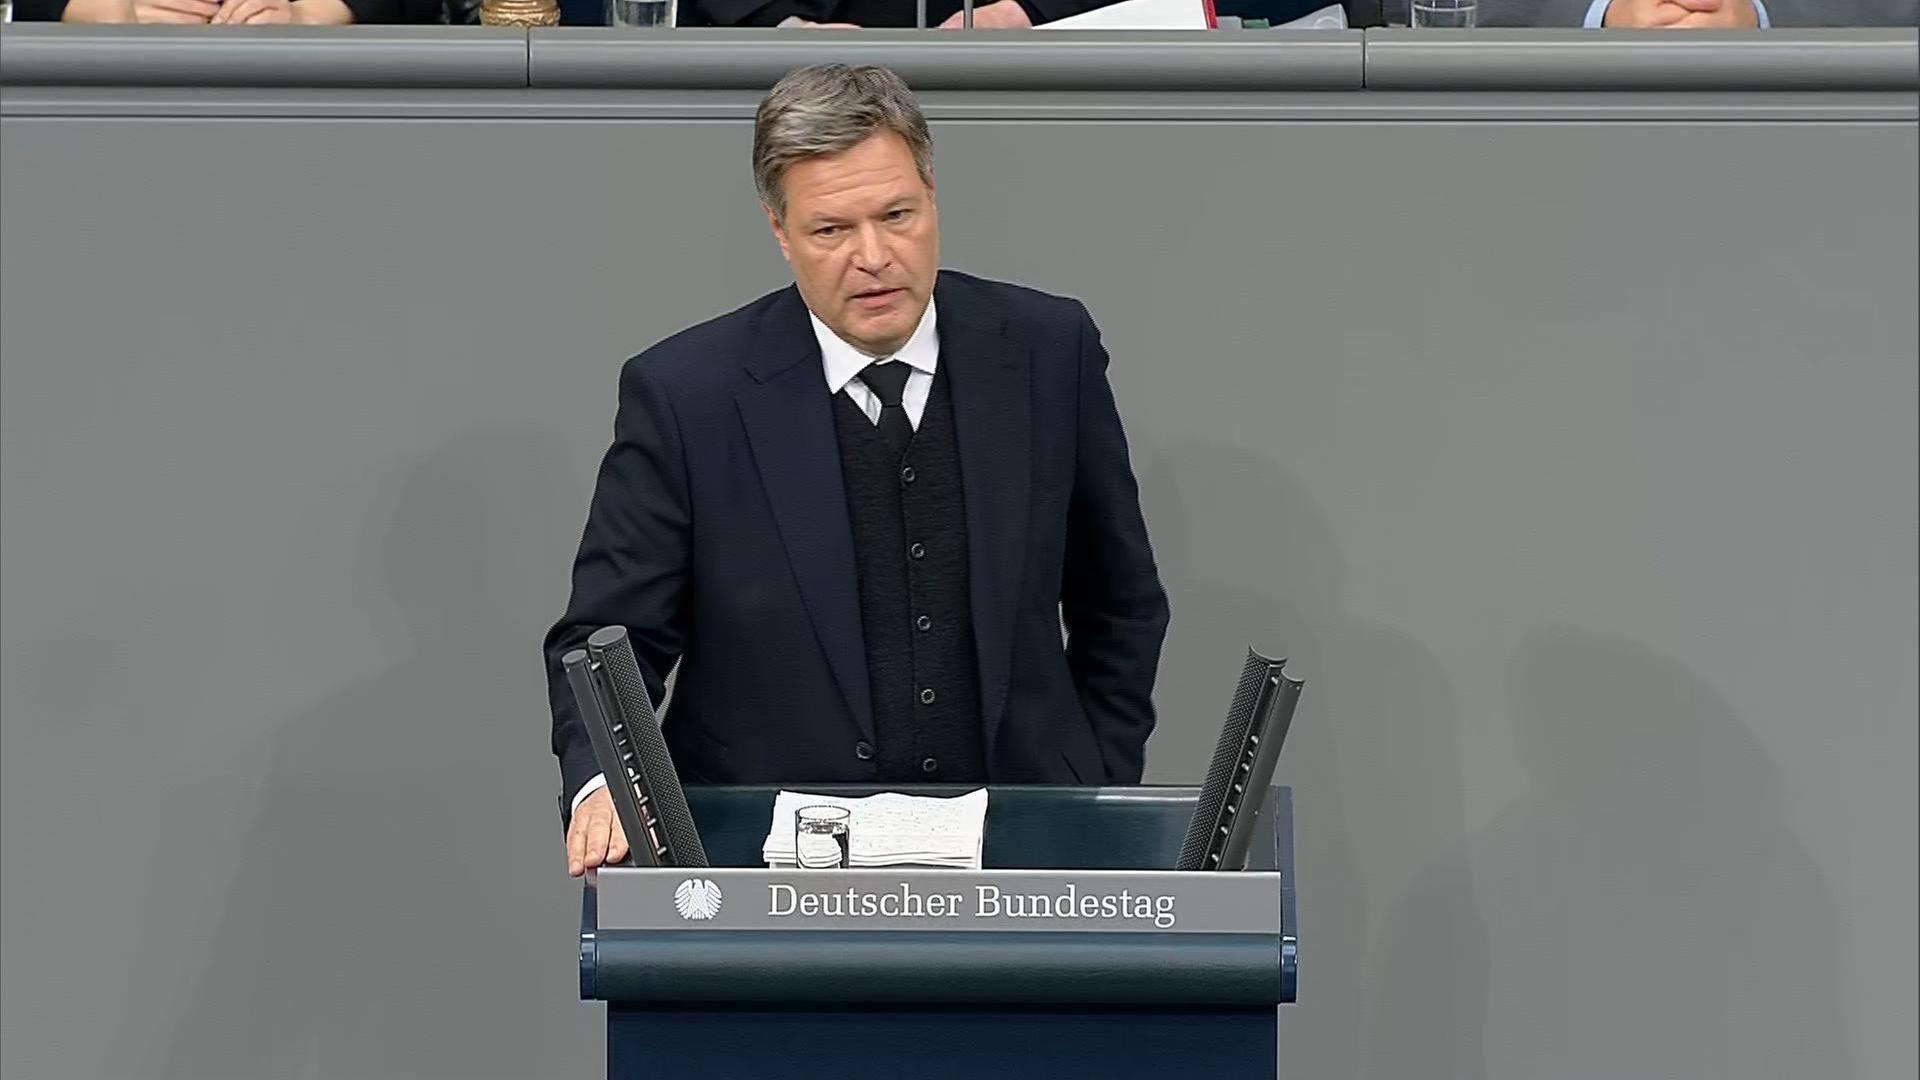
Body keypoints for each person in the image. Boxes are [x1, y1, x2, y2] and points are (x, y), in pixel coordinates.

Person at [544, 63, 1171, 878]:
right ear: (779, 230)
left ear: (933, 193)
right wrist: (605, 782)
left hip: (1021, 852)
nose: (873, 256)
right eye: (832, 230)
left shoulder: (1050, 352)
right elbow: (606, 639)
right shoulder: (687, 395)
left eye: (897, 215)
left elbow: (1120, 603)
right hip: (763, 865)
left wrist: (1095, 783)